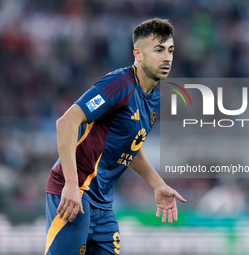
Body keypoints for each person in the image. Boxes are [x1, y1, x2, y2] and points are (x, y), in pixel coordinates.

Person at [44, 18, 186, 255]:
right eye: (159, 50)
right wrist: (70, 184)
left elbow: (129, 147)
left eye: (170, 50)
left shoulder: (155, 100)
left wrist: (158, 184)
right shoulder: (119, 83)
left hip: (103, 203)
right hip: (73, 193)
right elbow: (66, 123)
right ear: (138, 55)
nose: (167, 57)